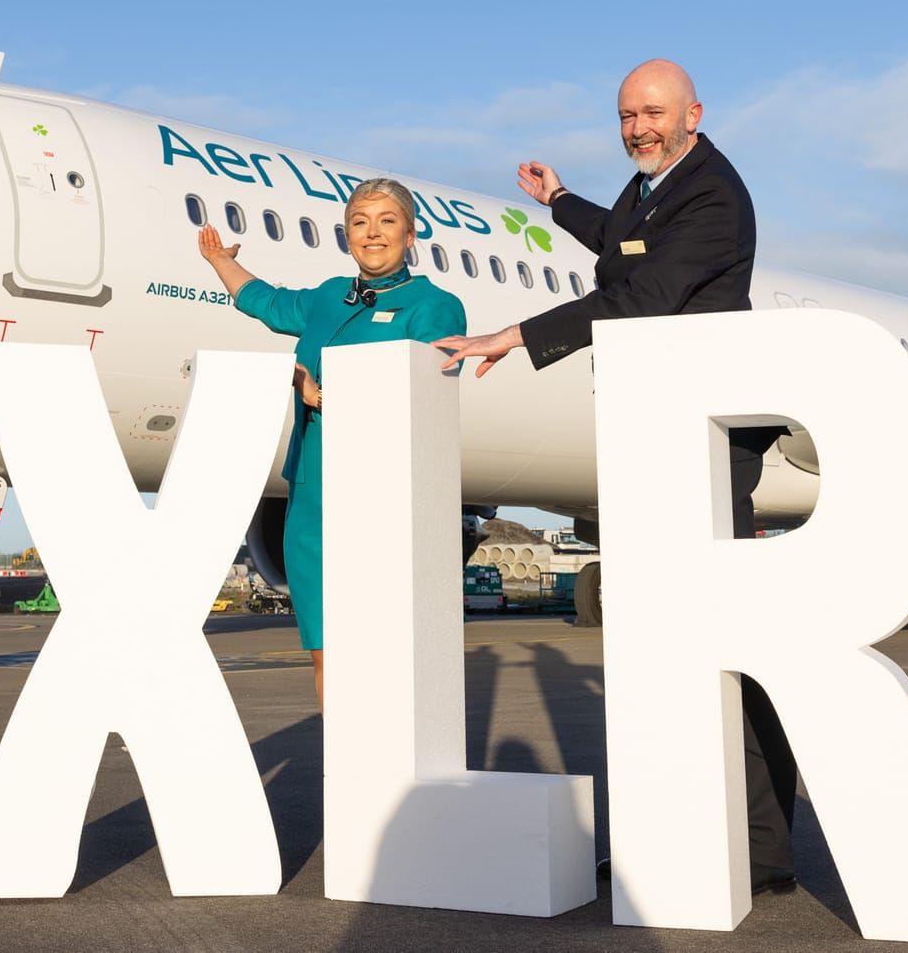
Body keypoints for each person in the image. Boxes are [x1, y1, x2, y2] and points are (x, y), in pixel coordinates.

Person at [432, 57, 798, 895]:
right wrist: (558, 201)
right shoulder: (651, 191)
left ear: (693, 113)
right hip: (651, 430)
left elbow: (644, 291)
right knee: (660, 651)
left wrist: (513, 337)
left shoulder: (714, 195)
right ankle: (673, 829)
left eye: (654, 112)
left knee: (718, 649)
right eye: (627, 114)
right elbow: (622, 241)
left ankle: (762, 845)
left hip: (705, 438)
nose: (638, 126)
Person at [198, 177, 467, 707]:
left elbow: (420, 399)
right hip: (312, 493)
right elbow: (267, 303)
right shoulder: (326, 297)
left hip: (380, 492)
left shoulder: (435, 307)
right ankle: (345, 775)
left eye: (386, 222)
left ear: (410, 235)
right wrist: (219, 262)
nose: (372, 234)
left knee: (382, 646)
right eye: (359, 224)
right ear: (346, 237)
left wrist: (318, 393)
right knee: (326, 654)